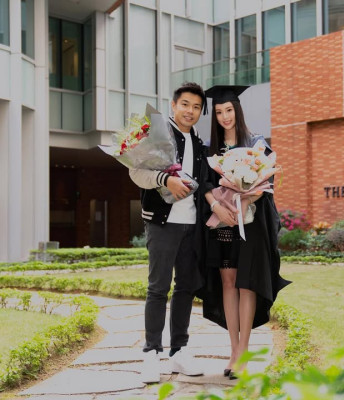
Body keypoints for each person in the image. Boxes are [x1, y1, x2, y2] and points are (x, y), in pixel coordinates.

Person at [199, 85, 291, 379]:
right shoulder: (210, 149)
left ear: (237, 110)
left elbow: (266, 183)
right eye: (218, 112)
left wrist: (244, 200)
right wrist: (217, 205)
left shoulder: (256, 143)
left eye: (228, 110)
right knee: (228, 282)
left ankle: (244, 352)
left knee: (247, 283)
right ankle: (233, 350)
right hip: (223, 223)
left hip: (249, 224)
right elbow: (204, 185)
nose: (224, 116)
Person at [129, 82, 208, 384]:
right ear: (173, 105)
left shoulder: (200, 144)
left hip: (192, 224)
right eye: (185, 104)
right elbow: (136, 172)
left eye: (197, 107)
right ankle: (151, 353)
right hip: (162, 222)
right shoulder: (158, 134)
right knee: (158, 288)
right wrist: (165, 180)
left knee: (186, 286)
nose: (190, 111)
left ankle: (179, 350)